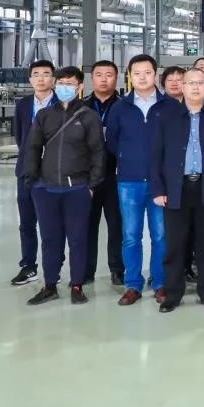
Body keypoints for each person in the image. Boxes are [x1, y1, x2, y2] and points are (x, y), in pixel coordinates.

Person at [151, 67, 204, 312]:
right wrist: (158, 189)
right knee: (175, 246)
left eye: (200, 83)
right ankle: (173, 293)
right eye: (191, 83)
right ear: (183, 86)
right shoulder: (167, 117)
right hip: (176, 189)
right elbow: (156, 155)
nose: (196, 87)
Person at [22, 66, 106, 305]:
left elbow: (98, 152)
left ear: (79, 87)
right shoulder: (44, 115)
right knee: (50, 239)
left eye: (70, 84)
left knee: (78, 239)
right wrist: (32, 180)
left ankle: (77, 285)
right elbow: (32, 148)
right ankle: (49, 285)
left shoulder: (89, 116)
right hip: (46, 189)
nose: (64, 88)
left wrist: (92, 184)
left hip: (77, 189)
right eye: (61, 83)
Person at [106, 54, 172, 306]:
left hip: (160, 182)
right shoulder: (120, 107)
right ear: (130, 76)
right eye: (137, 73)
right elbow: (112, 141)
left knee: (160, 235)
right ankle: (132, 284)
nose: (142, 77)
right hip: (129, 181)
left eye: (147, 72)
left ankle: (160, 282)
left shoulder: (169, 106)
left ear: (155, 74)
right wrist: (128, 158)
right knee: (131, 235)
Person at [10, 59, 57, 286]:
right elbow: (20, 136)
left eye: (46, 74)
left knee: (52, 224)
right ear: (30, 79)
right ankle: (28, 266)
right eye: (36, 74)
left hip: (54, 173)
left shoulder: (62, 103)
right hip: (26, 173)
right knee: (27, 223)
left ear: (53, 79)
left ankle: (54, 269)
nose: (41, 78)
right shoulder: (23, 105)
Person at [83, 60, 124, 286]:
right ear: (92, 79)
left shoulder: (125, 106)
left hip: (116, 174)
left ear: (116, 78)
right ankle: (85, 271)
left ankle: (117, 269)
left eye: (109, 75)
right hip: (87, 176)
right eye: (99, 74)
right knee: (86, 225)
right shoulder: (81, 107)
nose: (104, 79)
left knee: (117, 225)